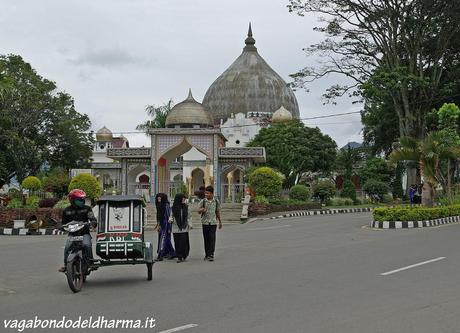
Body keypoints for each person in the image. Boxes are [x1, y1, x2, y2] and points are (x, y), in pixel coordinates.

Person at [58, 189, 97, 272]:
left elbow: (92, 218)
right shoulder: (66, 211)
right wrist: (61, 227)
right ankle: (66, 265)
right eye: (79, 200)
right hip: (72, 235)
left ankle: (90, 262)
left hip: (84, 233)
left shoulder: (87, 209)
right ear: (72, 200)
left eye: (83, 199)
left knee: (87, 245)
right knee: (67, 248)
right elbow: (63, 223)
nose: (82, 201)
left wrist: (93, 223)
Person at [197, 185, 222, 261]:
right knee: (206, 239)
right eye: (205, 193)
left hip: (213, 223)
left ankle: (211, 254)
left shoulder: (216, 201)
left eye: (207, 193)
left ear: (212, 193)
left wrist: (220, 221)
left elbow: (217, 211)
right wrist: (202, 210)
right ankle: (207, 254)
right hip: (205, 223)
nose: (206, 194)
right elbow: (198, 211)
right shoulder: (203, 201)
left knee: (212, 238)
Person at [171, 193, 193, 263]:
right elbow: (171, 216)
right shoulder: (173, 207)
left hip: (184, 227)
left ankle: (184, 255)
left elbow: (189, 216)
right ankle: (179, 256)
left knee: (184, 242)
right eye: (182, 198)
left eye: (184, 198)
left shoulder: (186, 207)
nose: (184, 199)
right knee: (177, 242)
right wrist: (170, 220)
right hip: (175, 227)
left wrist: (190, 224)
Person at [155, 193, 176, 261]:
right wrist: (158, 225)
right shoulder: (159, 206)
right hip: (161, 225)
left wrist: (169, 228)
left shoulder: (166, 206)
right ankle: (172, 253)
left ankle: (160, 255)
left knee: (163, 240)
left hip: (165, 225)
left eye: (160, 198)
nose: (158, 200)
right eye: (157, 198)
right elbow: (158, 217)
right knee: (166, 240)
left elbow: (169, 217)